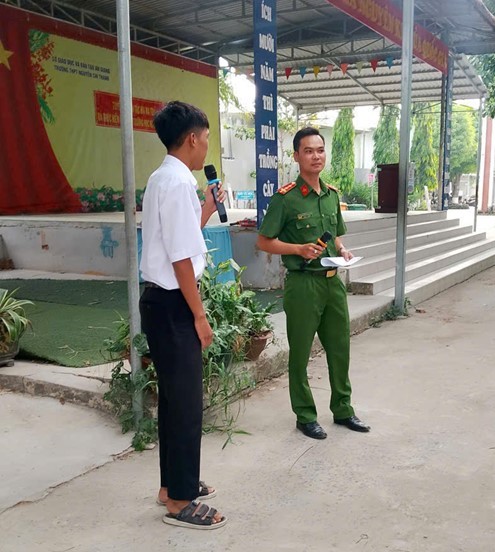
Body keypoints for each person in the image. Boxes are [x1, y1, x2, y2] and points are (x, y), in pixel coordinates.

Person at [139, 101, 227, 529]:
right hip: (174, 304)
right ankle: (180, 501)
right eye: (206, 138)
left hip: (162, 302)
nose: (207, 146)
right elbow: (180, 259)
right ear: (191, 138)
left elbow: (182, 237)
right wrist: (199, 316)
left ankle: (171, 485)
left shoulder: (166, 178)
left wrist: (207, 208)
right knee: (187, 404)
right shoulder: (175, 183)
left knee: (175, 401)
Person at [256, 127, 370, 440]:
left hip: (333, 284)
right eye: (308, 151)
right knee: (301, 354)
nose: (316, 156)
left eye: (320, 150)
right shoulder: (286, 199)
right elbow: (264, 242)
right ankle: (305, 415)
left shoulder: (332, 196)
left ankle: (343, 409)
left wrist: (342, 250)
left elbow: (337, 235)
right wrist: (298, 249)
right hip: (303, 285)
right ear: (297, 156)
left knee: (340, 349)